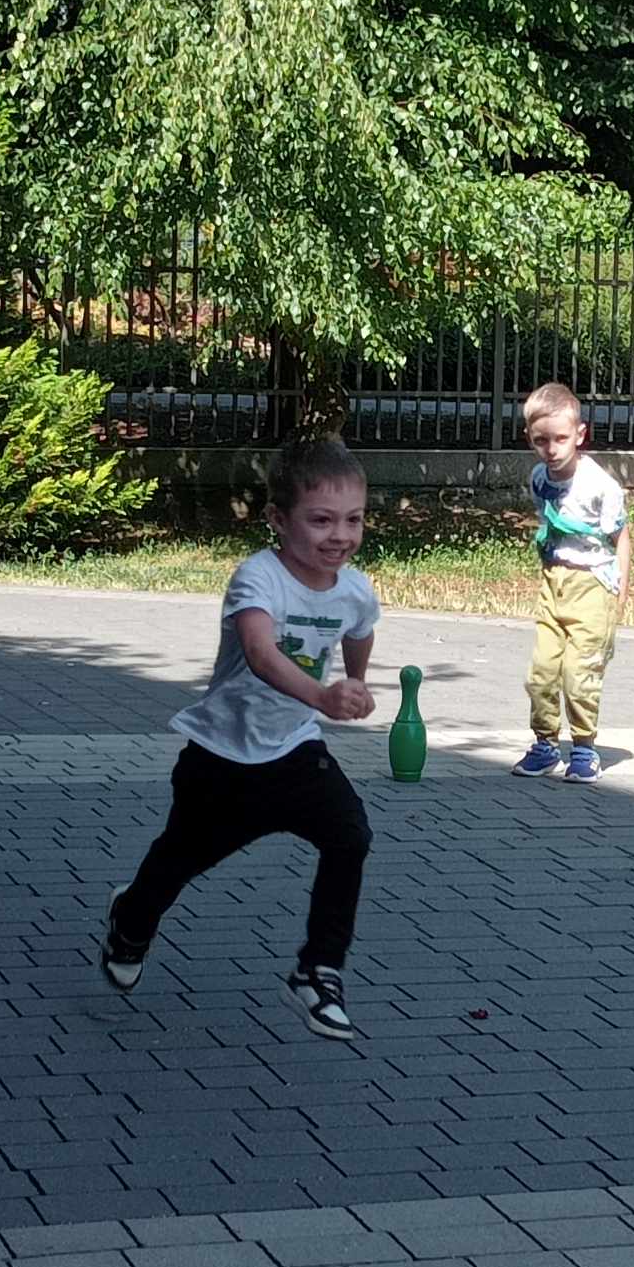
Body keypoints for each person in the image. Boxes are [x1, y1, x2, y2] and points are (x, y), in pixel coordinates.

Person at [99, 437, 378, 1038]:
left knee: (350, 835)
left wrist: (354, 681)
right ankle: (131, 921)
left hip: (294, 751)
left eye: (353, 520)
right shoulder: (259, 578)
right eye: (321, 520)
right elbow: (259, 652)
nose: (340, 535)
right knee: (179, 861)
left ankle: (318, 969)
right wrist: (323, 696)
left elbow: (359, 627)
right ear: (278, 518)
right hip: (220, 757)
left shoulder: (355, 588)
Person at [512, 381, 630, 784]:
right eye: (541, 440)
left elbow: (621, 539)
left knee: (580, 674)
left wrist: (620, 594)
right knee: (542, 671)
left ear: (580, 434)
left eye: (560, 439)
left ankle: (583, 747)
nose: (551, 449)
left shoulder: (600, 486)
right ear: (529, 437)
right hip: (554, 582)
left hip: (592, 585)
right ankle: (545, 745)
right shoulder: (539, 478)